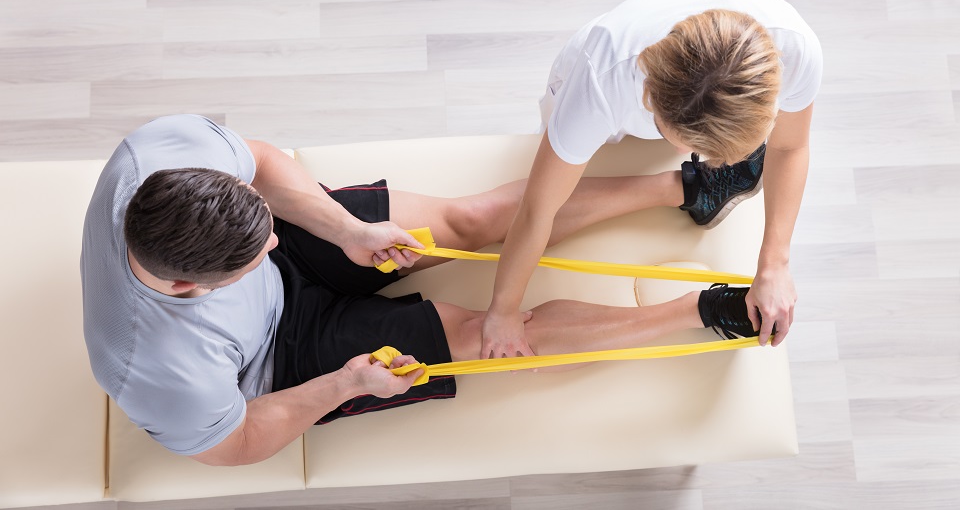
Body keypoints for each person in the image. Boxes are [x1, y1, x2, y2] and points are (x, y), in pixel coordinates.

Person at [82, 114, 759, 466]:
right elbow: (235, 445)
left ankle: (690, 188)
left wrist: (347, 230)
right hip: (281, 359)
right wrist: (344, 386)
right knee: (485, 336)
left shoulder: (163, 155)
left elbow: (258, 160)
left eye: (265, 232)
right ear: (181, 284)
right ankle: (704, 309)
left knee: (468, 221)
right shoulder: (156, 370)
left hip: (306, 247)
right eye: (254, 254)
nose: (273, 247)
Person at [480, 0, 822, 360]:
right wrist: (502, 310)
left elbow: (789, 146)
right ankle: (691, 187)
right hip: (601, 98)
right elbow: (536, 210)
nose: (680, 152)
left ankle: (694, 189)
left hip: (687, 102)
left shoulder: (795, 49)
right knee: (541, 202)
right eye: (668, 133)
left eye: (696, 150)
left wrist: (775, 264)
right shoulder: (598, 87)